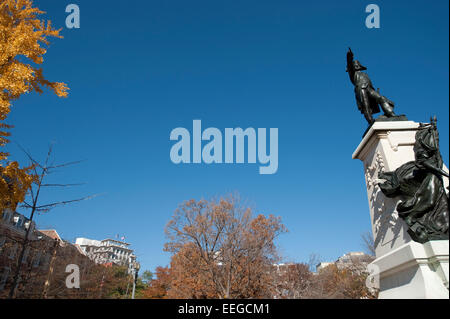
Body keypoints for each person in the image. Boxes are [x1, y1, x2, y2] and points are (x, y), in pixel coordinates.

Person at [346, 48, 396, 124]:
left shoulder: (365, 74)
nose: (356, 66)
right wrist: (349, 57)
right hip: (361, 89)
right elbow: (349, 65)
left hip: (369, 89)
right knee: (366, 105)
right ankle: (370, 120)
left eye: (357, 65)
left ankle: (391, 114)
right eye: (354, 65)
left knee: (381, 98)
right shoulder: (353, 75)